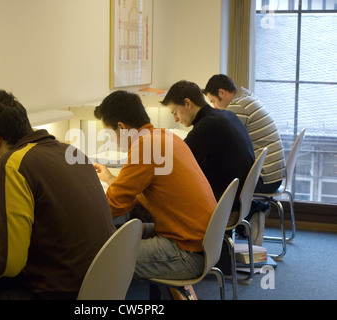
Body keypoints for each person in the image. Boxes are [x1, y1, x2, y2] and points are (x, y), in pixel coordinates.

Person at [0, 89, 116, 299]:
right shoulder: (68, 151)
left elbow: (6, 263)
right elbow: (48, 191)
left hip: (57, 293)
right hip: (98, 287)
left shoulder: (11, 165)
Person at [93, 90, 216, 283]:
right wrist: (110, 179)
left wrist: (75, 217)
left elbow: (115, 205)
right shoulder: (163, 136)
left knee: (95, 257)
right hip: (202, 241)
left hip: (186, 253)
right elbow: (141, 191)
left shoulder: (145, 147)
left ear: (121, 127)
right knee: (117, 236)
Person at [161, 80, 255, 219]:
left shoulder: (208, 125)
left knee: (161, 198)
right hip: (239, 198)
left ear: (188, 103)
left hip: (224, 205)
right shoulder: (225, 115)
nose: (175, 119)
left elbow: (177, 164)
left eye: (175, 112)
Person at [203, 74, 285, 194]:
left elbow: (223, 141)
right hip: (273, 176)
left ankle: (240, 212)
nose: (214, 106)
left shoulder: (238, 107)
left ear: (221, 93)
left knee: (215, 182)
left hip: (264, 179)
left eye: (213, 101)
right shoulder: (247, 98)